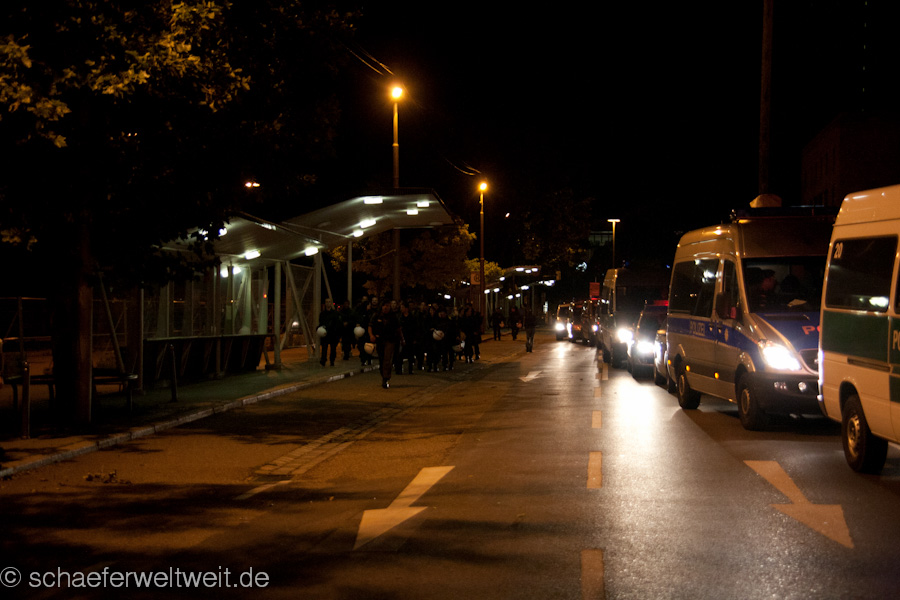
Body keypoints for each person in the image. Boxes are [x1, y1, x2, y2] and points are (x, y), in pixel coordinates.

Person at [369, 300, 403, 388]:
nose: (385, 307)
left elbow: (398, 329)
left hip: (390, 340)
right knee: (381, 358)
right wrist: (371, 335)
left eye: (387, 306)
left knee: (387, 359)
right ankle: (383, 374)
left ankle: (386, 377)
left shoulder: (393, 317)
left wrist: (402, 339)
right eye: (384, 305)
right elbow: (370, 326)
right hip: (380, 340)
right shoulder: (376, 315)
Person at [317, 298, 343, 366]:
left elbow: (337, 323)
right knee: (324, 348)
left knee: (333, 348)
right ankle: (323, 360)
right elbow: (321, 322)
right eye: (327, 302)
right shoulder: (322, 314)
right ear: (325, 303)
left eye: (329, 302)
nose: (328, 303)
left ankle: (332, 360)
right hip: (325, 332)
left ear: (331, 303)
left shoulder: (335, 313)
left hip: (333, 333)